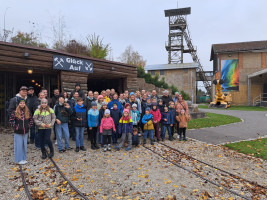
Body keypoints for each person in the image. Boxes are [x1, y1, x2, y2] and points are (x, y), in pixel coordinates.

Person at [9, 98, 33, 164]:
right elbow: (10, 121)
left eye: (23, 103)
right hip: (18, 132)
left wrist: (28, 126)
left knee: (24, 146)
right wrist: (16, 127)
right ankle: (18, 159)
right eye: (21, 103)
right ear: (18, 104)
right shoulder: (15, 112)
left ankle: (24, 158)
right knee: (18, 146)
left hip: (25, 132)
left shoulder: (28, 112)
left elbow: (31, 120)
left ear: (25, 104)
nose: (22, 104)